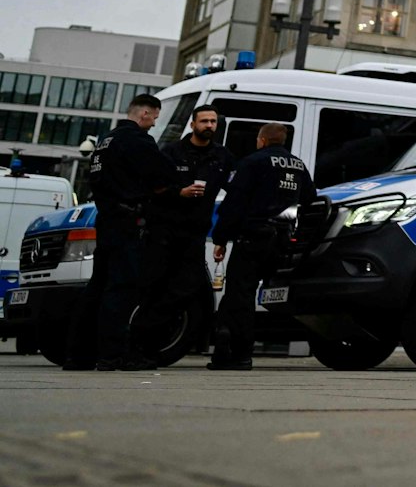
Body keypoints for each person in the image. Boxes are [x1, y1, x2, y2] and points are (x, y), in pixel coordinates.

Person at [64, 93, 189, 371]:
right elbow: (164, 172)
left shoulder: (105, 141)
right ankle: (111, 355)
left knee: (96, 287)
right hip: (128, 220)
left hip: (107, 219)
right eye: (154, 117)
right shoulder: (137, 140)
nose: (154, 124)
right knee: (121, 288)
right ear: (144, 113)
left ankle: (78, 354)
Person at [207, 123, 315, 370]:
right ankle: (224, 351)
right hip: (282, 241)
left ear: (263, 140)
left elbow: (234, 203)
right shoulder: (298, 165)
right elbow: (310, 199)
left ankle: (241, 354)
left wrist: (221, 239)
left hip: (253, 238)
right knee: (239, 295)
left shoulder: (253, 162)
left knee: (240, 295)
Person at [139, 104, 234, 357]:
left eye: (213, 122)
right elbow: (152, 187)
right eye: (204, 121)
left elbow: (235, 189)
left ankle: (154, 336)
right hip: (165, 231)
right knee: (155, 285)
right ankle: (141, 345)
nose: (209, 126)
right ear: (193, 125)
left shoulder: (222, 156)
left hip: (195, 234)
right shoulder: (172, 152)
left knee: (187, 286)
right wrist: (179, 193)